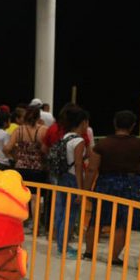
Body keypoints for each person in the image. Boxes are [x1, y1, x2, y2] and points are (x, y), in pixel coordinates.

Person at [82, 111, 140, 265]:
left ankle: (89, 252)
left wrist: (85, 191)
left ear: (115, 123)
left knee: (97, 218)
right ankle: (114, 257)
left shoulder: (103, 144)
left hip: (106, 183)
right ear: (133, 126)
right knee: (123, 222)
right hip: (131, 185)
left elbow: (92, 169)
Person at [52, 107, 90, 257]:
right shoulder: (79, 140)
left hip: (62, 177)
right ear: (83, 122)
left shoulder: (65, 137)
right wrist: (80, 190)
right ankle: (64, 248)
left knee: (61, 212)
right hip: (73, 179)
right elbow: (78, 165)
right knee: (71, 214)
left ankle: (61, 245)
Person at [4, 106, 48, 183]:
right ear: (39, 117)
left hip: (21, 168)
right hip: (37, 169)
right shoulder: (43, 130)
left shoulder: (18, 130)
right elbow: (44, 150)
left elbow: (7, 148)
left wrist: (16, 158)